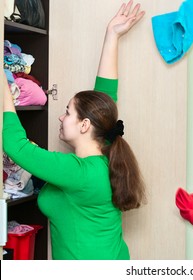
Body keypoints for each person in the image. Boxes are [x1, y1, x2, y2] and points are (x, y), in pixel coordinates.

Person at [2, 1, 146, 260]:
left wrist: (3, 79)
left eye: (67, 112)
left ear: (84, 125)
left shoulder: (77, 172)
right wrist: (111, 35)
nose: (61, 116)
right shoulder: (105, 153)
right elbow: (104, 100)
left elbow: (14, 144)